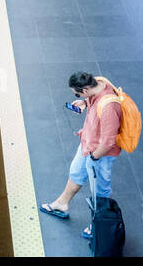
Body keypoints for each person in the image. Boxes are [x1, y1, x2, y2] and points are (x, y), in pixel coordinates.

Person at [39, 72, 123, 241]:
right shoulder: (98, 83)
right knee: (76, 173)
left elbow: (107, 142)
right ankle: (62, 204)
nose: (76, 96)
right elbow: (93, 103)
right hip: (88, 143)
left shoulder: (109, 108)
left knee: (100, 189)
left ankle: (99, 223)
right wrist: (85, 103)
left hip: (100, 154)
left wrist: (94, 157)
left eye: (77, 94)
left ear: (85, 89)